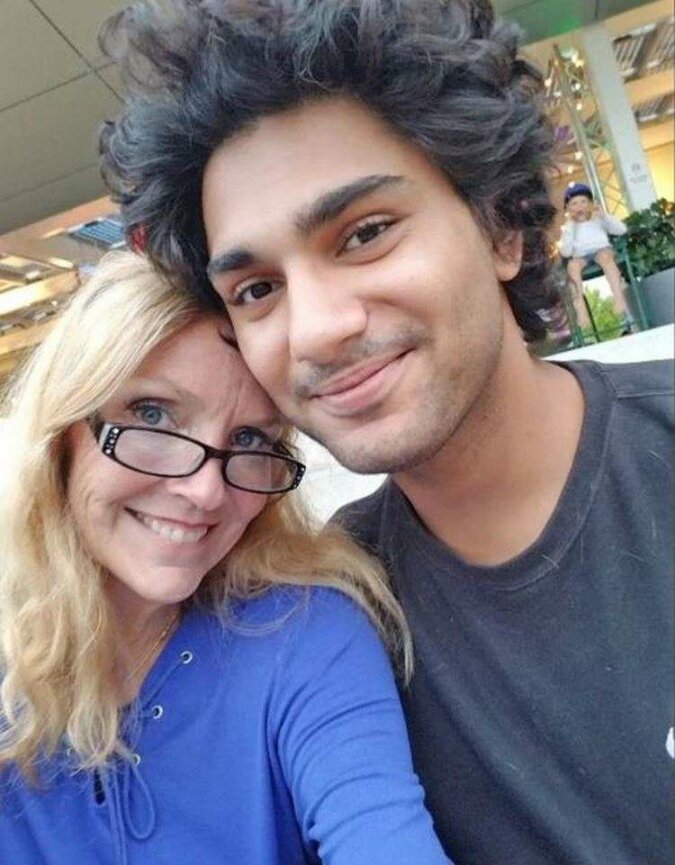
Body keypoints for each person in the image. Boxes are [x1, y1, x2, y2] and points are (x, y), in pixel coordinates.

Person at [99, 2, 675, 863]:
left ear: (500, 225)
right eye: (256, 290)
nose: (316, 329)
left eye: (364, 234)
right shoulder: (327, 613)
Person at [0, 252, 451, 865]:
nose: (205, 490)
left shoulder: (302, 634)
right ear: (63, 435)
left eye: (249, 439)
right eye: (153, 415)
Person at [558, 182, 633, 333]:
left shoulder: (598, 219)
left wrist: (604, 216)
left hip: (601, 250)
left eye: (583, 202)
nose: (579, 206)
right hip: (581, 257)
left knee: (605, 257)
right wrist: (568, 230)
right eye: (574, 204)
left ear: (591, 204)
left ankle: (619, 298)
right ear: (568, 209)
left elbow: (621, 230)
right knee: (572, 266)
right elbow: (566, 252)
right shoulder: (569, 227)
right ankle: (581, 310)